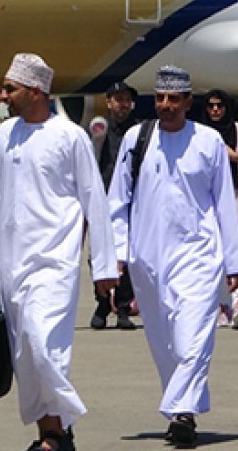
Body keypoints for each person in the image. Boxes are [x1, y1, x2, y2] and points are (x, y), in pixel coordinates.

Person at [0, 53, 118, 451]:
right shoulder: (7, 134)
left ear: (35, 92)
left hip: (55, 264)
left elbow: (95, 202)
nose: (2, 96)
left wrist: (104, 267)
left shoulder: (71, 137)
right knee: (26, 357)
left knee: (42, 343)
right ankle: (51, 435)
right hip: (13, 266)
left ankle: (63, 423)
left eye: (10, 89)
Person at [108, 66, 238, 448]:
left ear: (188, 102)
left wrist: (234, 262)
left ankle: (183, 411)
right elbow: (117, 201)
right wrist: (117, 254)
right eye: (161, 99)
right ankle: (180, 413)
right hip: (146, 259)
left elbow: (223, 204)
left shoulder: (209, 141)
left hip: (199, 255)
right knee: (164, 342)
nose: (166, 106)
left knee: (193, 338)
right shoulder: (138, 138)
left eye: (174, 99)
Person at [200, 89, 238, 329]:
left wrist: (235, 156)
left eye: (219, 106)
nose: (215, 110)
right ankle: (221, 305)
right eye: (211, 106)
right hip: (208, 208)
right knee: (213, 259)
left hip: (237, 205)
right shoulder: (201, 134)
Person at [90, 80, 141, 330]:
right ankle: (101, 302)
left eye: (126, 100)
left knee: (128, 255)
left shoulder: (140, 131)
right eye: (117, 99)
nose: (122, 104)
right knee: (99, 254)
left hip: (132, 200)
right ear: (108, 102)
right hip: (102, 199)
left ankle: (122, 308)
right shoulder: (100, 130)